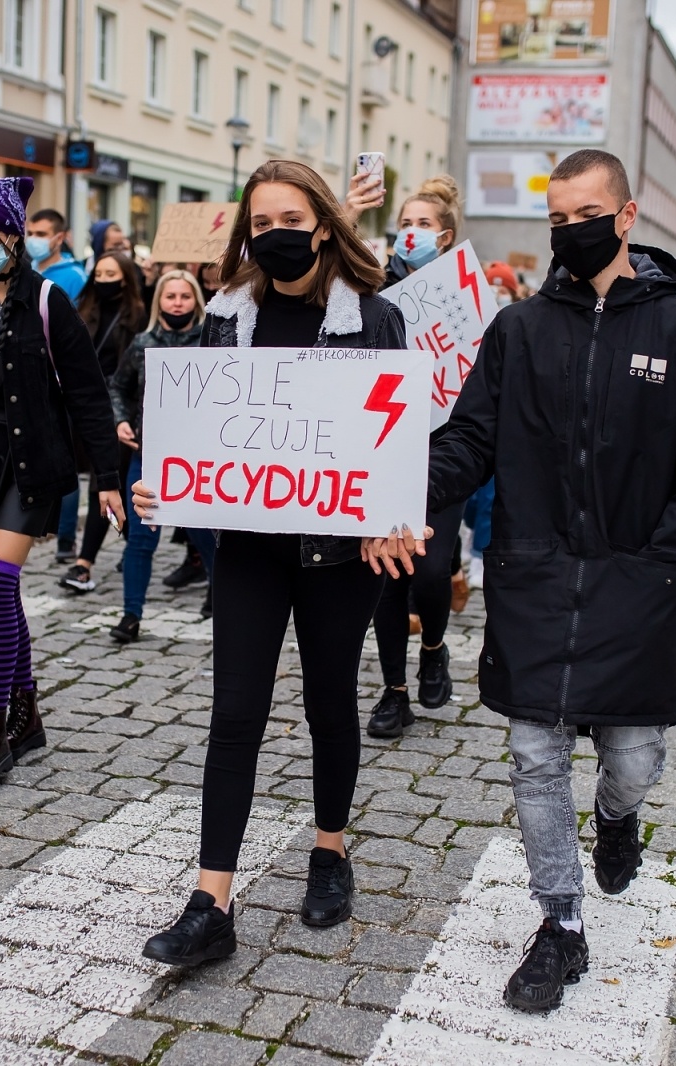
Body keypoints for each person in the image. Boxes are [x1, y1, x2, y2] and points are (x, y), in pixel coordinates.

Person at [365, 149, 676, 1013]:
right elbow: (468, 441)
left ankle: (617, 818)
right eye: (555, 218)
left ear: (625, 215)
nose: (568, 230)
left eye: (584, 214)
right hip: (535, 580)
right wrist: (394, 487)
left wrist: (664, 557)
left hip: (636, 587)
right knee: (535, 757)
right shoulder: (520, 330)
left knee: (633, 759)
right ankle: (560, 925)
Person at [132, 159, 404, 966]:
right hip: (249, 547)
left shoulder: (376, 320)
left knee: (329, 701)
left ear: (323, 224)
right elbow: (200, 434)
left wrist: (392, 513)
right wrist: (164, 483)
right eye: (260, 225)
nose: (275, 236)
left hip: (339, 554)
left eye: (291, 221)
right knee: (235, 714)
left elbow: (399, 439)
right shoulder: (225, 318)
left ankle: (330, 850)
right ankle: (210, 901)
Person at [0, 176, 124, 789]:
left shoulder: (48, 302)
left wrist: (109, 482)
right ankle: (27, 708)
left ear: (12, 234)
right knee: (1, 592)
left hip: (31, 462)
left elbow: (89, 395)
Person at [364, 176, 469, 737]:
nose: (411, 233)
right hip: (385, 446)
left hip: (444, 450)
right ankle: (394, 693)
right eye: (405, 223)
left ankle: (433, 647)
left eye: (423, 225)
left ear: (445, 236)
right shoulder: (373, 291)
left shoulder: (464, 296)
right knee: (387, 575)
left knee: (429, 571)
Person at [105, 269, 213, 642]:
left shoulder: (212, 340)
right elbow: (117, 387)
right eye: (171, 297)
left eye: (185, 296)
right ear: (160, 302)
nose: (178, 303)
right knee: (141, 538)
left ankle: (222, 599)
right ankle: (131, 615)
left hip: (200, 456)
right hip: (150, 454)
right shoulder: (142, 343)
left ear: (196, 301)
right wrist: (120, 421)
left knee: (207, 533)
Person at [57, 251, 144, 594]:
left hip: (120, 411)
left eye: (112, 274)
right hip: (81, 405)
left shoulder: (137, 316)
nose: (105, 280)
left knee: (104, 484)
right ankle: (123, 545)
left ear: (125, 278)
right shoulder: (83, 311)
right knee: (97, 481)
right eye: (100, 274)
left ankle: (84, 563)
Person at [25, 208, 88, 302]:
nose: (33, 239)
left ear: (60, 238)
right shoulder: (26, 270)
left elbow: (82, 314)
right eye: (30, 234)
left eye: (41, 234)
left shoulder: (76, 277)